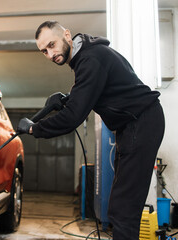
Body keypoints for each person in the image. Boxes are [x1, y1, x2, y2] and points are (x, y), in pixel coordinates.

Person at [17, 21, 165, 239]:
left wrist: (34, 129)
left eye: (52, 45)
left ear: (66, 35)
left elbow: (72, 118)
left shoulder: (90, 59)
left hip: (141, 122)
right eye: (44, 51)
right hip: (133, 124)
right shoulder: (87, 56)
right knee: (121, 206)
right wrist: (69, 98)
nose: (50, 54)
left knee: (123, 209)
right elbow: (99, 90)